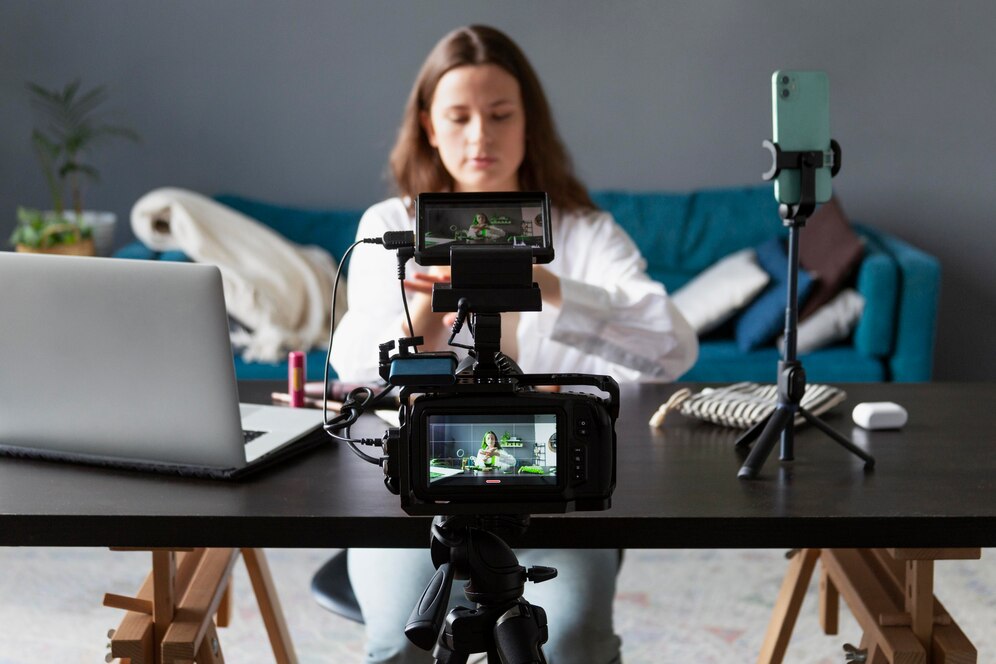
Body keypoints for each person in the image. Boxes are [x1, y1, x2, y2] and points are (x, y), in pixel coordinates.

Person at [331, 25, 697, 664]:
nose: (481, 137)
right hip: (422, 503)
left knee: (574, 644)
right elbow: (357, 368)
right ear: (429, 125)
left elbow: (673, 349)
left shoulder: (583, 233)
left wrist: (544, 283)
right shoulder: (391, 228)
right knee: (398, 644)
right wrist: (428, 308)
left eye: (501, 115)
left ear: (530, 122)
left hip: (552, 504)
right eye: (460, 116)